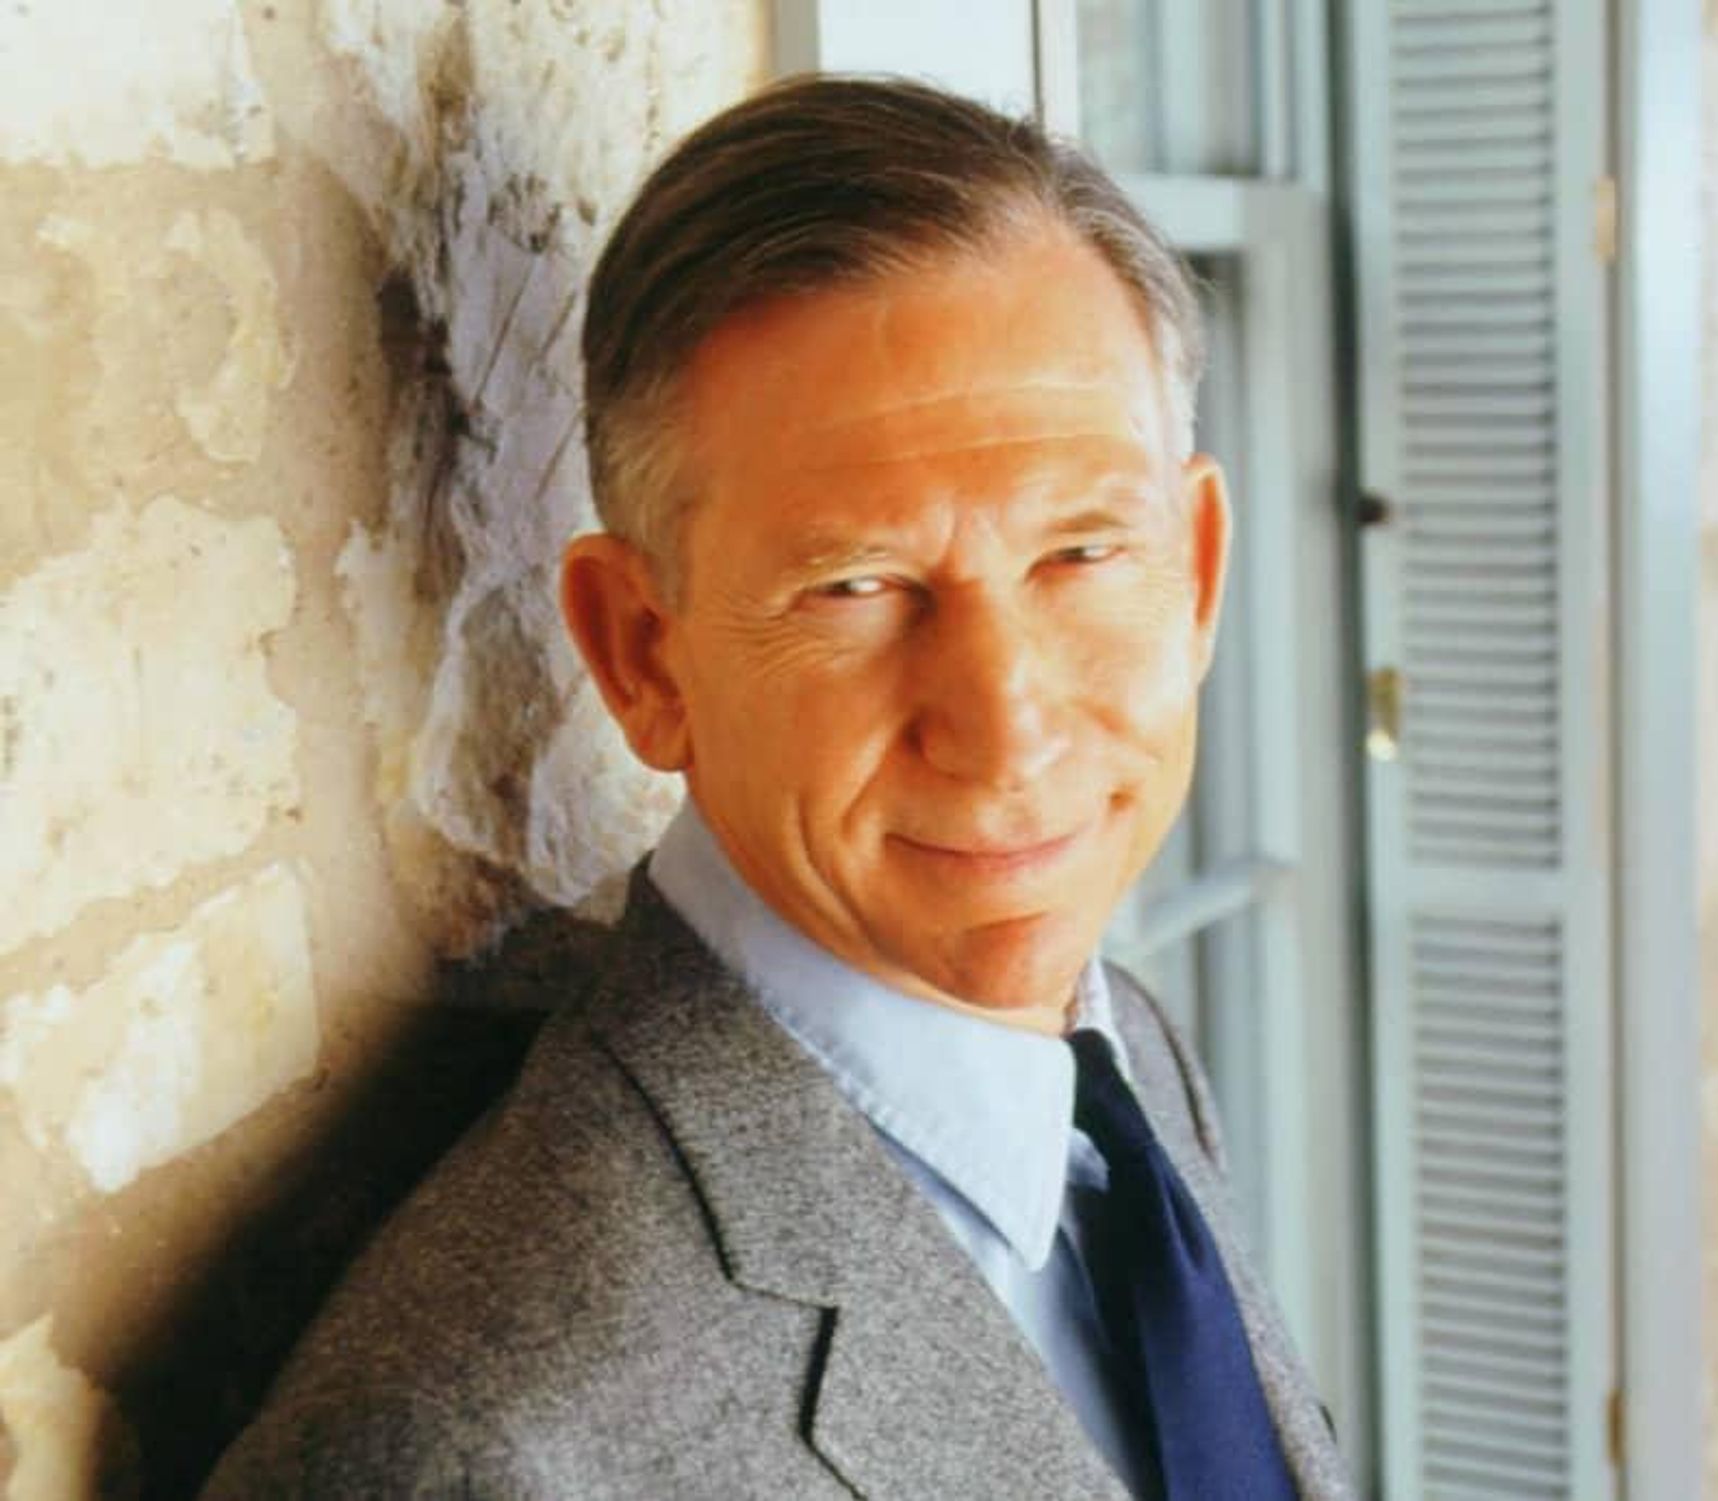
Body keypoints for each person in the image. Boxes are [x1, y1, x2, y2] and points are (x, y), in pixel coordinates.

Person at [202, 76, 1353, 1500]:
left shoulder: (1125, 1059)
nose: (1006, 731)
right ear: (643, 656)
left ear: (1198, 569)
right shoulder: (478, 1448)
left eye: (1081, 555)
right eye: (857, 586)